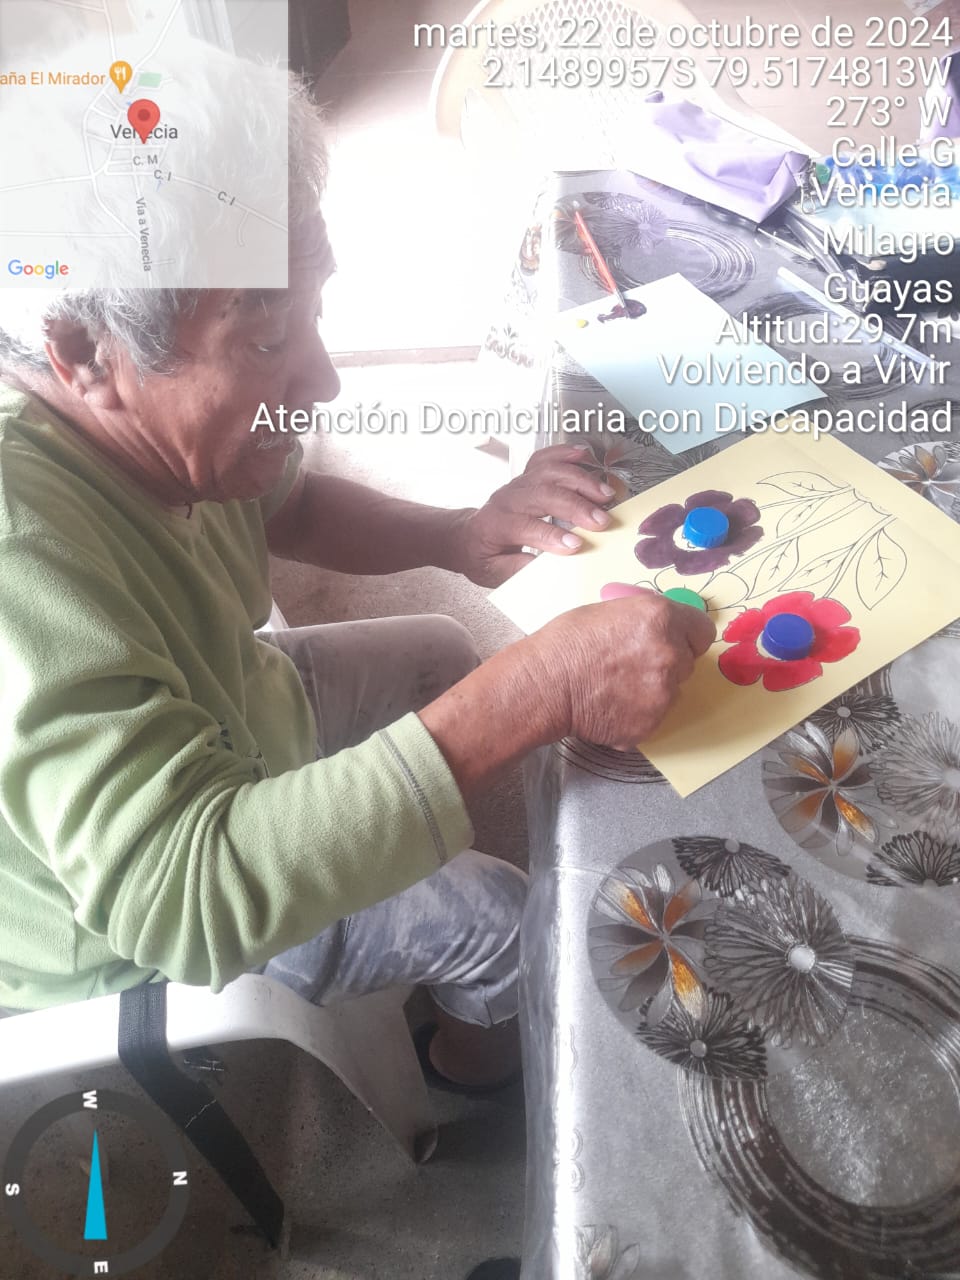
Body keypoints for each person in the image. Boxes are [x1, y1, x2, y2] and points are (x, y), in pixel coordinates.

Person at [0, 50, 714, 1094]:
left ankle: (461, 894)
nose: (324, 379)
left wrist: (459, 533)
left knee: (444, 652)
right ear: (81, 354)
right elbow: (182, 897)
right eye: (266, 341)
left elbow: (288, 501)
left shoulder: (168, 432)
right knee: (517, 928)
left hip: (230, 707)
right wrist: (541, 688)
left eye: (313, 311)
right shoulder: (22, 552)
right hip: (141, 911)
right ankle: (465, 1072)